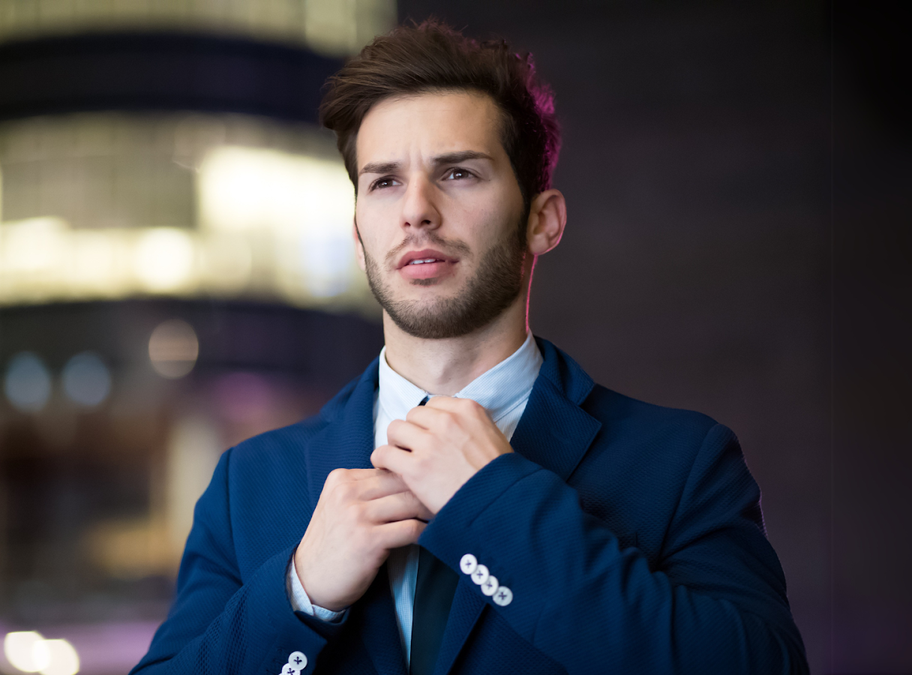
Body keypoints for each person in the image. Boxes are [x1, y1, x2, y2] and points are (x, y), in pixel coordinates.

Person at [131, 20, 808, 675]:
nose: (416, 209)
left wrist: (499, 505)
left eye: (457, 173)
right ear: (359, 231)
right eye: (385, 181)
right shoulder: (245, 485)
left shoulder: (683, 463)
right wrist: (299, 594)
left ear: (541, 222)